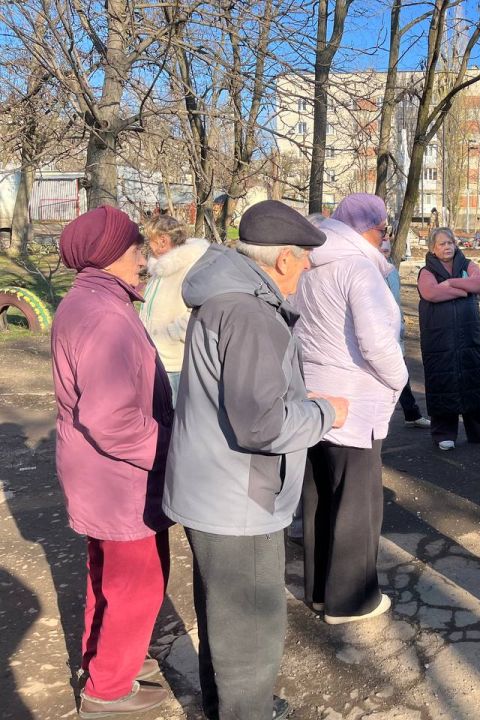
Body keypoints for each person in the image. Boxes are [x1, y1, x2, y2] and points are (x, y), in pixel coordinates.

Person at [162, 200, 347, 720]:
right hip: (239, 503)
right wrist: (324, 413)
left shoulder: (223, 299)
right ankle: (246, 709)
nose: (308, 267)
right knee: (251, 630)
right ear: (284, 259)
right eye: (305, 257)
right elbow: (262, 425)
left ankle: (233, 705)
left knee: (223, 616)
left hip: (213, 490)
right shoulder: (251, 314)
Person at [51, 206, 173, 717]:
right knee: (137, 584)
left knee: (106, 576)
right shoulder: (106, 316)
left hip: (98, 475)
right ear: (111, 257)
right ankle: (107, 690)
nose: (143, 258)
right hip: (120, 480)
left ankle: (102, 661)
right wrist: (173, 446)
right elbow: (111, 419)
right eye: (136, 249)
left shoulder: (85, 301)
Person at [296, 193, 407, 624]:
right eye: (384, 229)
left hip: (314, 399)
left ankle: (320, 591)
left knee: (319, 496)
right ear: (372, 229)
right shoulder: (360, 269)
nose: (385, 238)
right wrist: (398, 381)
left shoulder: (311, 264)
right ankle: (351, 600)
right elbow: (378, 344)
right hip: (355, 403)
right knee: (357, 502)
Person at [417, 227, 480, 450]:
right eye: (442, 244)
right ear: (433, 249)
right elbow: (431, 293)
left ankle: (478, 431)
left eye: (450, 243)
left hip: (467, 338)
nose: (447, 247)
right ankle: (444, 433)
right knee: (443, 385)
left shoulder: (467, 264)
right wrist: (465, 288)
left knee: (472, 382)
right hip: (439, 341)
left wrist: (452, 284)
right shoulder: (426, 271)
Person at [140, 214, 209, 401]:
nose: (149, 246)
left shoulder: (190, 267)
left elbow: (199, 311)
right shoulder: (159, 268)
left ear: (163, 240)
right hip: (154, 356)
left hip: (173, 361)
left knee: (172, 419)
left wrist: (168, 336)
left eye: (151, 240)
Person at [381, 233, 430, 428]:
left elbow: (395, 298)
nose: (385, 250)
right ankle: (408, 412)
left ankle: (411, 412)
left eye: (387, 248)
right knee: (392, 372)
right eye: (381, 247)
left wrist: (400, 320)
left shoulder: (391, 268)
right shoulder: (368, 269)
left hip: (394, 328)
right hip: (379, 330)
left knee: (400, 371)